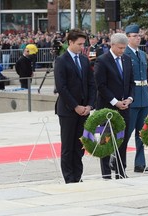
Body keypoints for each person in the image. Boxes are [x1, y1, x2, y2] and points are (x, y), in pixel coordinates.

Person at [54, 28, 96, 184]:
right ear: (70, 42)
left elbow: (92, 84)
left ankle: (78, 176)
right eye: (79, 44)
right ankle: (69, 177)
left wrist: (90, 105)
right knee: (68, 146)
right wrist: (75, 106)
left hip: (84, 110)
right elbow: (61, 87)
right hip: (68, 110)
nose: (82, 47)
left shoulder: (84, 60)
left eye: (83, 44)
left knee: (80, 145)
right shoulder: (61, 60)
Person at [94, 33, 135, 179]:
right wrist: (115, 101)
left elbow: (131, 82)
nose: (122, 51)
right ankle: (106, 173)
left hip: (125, 106)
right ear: (112, 45)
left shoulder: (127, 59)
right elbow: (101, 85)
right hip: (107, 107)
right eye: (120, 48)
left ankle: (120, 170)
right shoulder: (102, 61)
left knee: (121, 140)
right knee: (106, 140)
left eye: (124, 48)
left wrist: (129, 99)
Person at [123, 24, 148, 173]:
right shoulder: (125, 53)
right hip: (132, 96)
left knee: (142, 133)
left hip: (143, 95)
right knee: (127, 132)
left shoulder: (141, 54)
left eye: (139, 35)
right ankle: (119, 160)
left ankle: (140, 163)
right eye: (134, 36)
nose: (138, 38)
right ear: (128, 37)